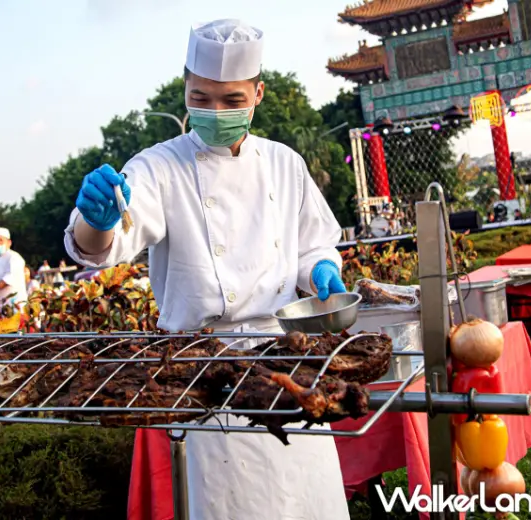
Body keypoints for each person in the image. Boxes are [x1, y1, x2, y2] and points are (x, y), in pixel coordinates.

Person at [63, 19, 349, 520]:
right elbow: (100, 248)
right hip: (203, 373)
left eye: (232, 101)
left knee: (310, 502)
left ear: (258, 93)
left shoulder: (286, 163)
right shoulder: (158, 167)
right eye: (203, 98)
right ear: (186, 89)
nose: (216, 112)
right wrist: (96, 219)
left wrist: (322, 269)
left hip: (286, 362)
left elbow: (314, 244)